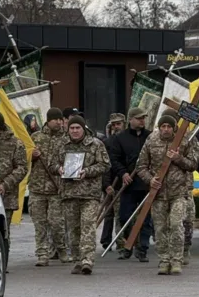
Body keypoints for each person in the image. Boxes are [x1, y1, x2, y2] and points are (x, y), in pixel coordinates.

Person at [135, 114, 199, 276]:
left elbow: (193, 164)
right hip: (158, 194)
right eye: (162, 126)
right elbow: (141, 166)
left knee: (176, 224)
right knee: (160, 228)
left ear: (174, 128)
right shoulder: (151, 140)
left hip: (179, 192)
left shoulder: (184, 139)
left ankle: (176, 259)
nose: (165, 130)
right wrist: (150, 180)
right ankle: (164, 260)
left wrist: (178, 158)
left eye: (168, 127)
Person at [55, 115, 110, 275]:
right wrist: (59, 169)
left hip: (89, 194)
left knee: (87, 226)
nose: (75, 131)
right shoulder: (62, 145)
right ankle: (77, 259)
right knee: (73, 229)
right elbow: (52, 163)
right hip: (69, 194)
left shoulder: (95, 144)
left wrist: (88, 171)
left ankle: (87, 260)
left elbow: (105, 164)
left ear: (83, 128)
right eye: (72, 128)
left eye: (77, 128)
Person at [109, 107, 152, 262]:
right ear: (131, 120)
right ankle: (129, 245)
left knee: (145, 218)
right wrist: (123, 173)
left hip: (146, 184)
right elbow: (114, 159)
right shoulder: (120, 138)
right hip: (128, 185)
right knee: (124, 216)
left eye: (143, 118)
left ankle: (143, 249)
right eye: (139, 118)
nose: (142, 121)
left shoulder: (150, 137)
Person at [0, 112, 29, 259]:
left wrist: (5, 185)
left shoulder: (16, 144)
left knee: (3, 230)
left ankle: (2, 260)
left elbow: (22, 168)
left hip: (7, 195)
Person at [29, 108, 67, 267]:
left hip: (56, 188)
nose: (58, 122)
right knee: (40, 223)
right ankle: (42, 254)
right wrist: (32, 155)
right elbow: (23, 158)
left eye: (60, 119)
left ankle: (62, 250)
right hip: (37, 187)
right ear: (48, 120)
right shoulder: (36, 137)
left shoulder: (66, 139)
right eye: (55, 119)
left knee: (56, 222)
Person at [99, 113, 127, 250]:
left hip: (124, 182)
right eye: (114, 125)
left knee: (120, 213)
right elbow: (104, 166)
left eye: (119, 124)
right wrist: (106, 185)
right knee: (108, 212)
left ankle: (121, 241)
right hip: (110, 181)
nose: (116, 127)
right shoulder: (107, 143)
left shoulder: (128, 140)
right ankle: (106, 240)